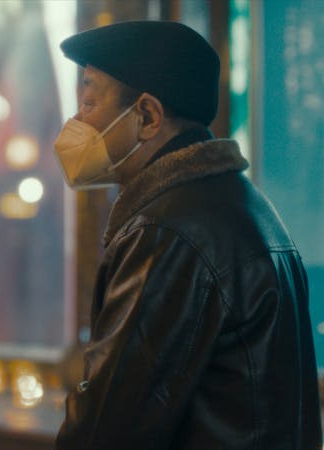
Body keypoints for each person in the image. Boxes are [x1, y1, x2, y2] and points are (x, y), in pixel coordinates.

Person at [51, 21, 321, 449]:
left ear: (147, 116)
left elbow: (109, 427)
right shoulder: (246, 206)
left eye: (89, 101)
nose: (76, 120)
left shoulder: (166, 232)